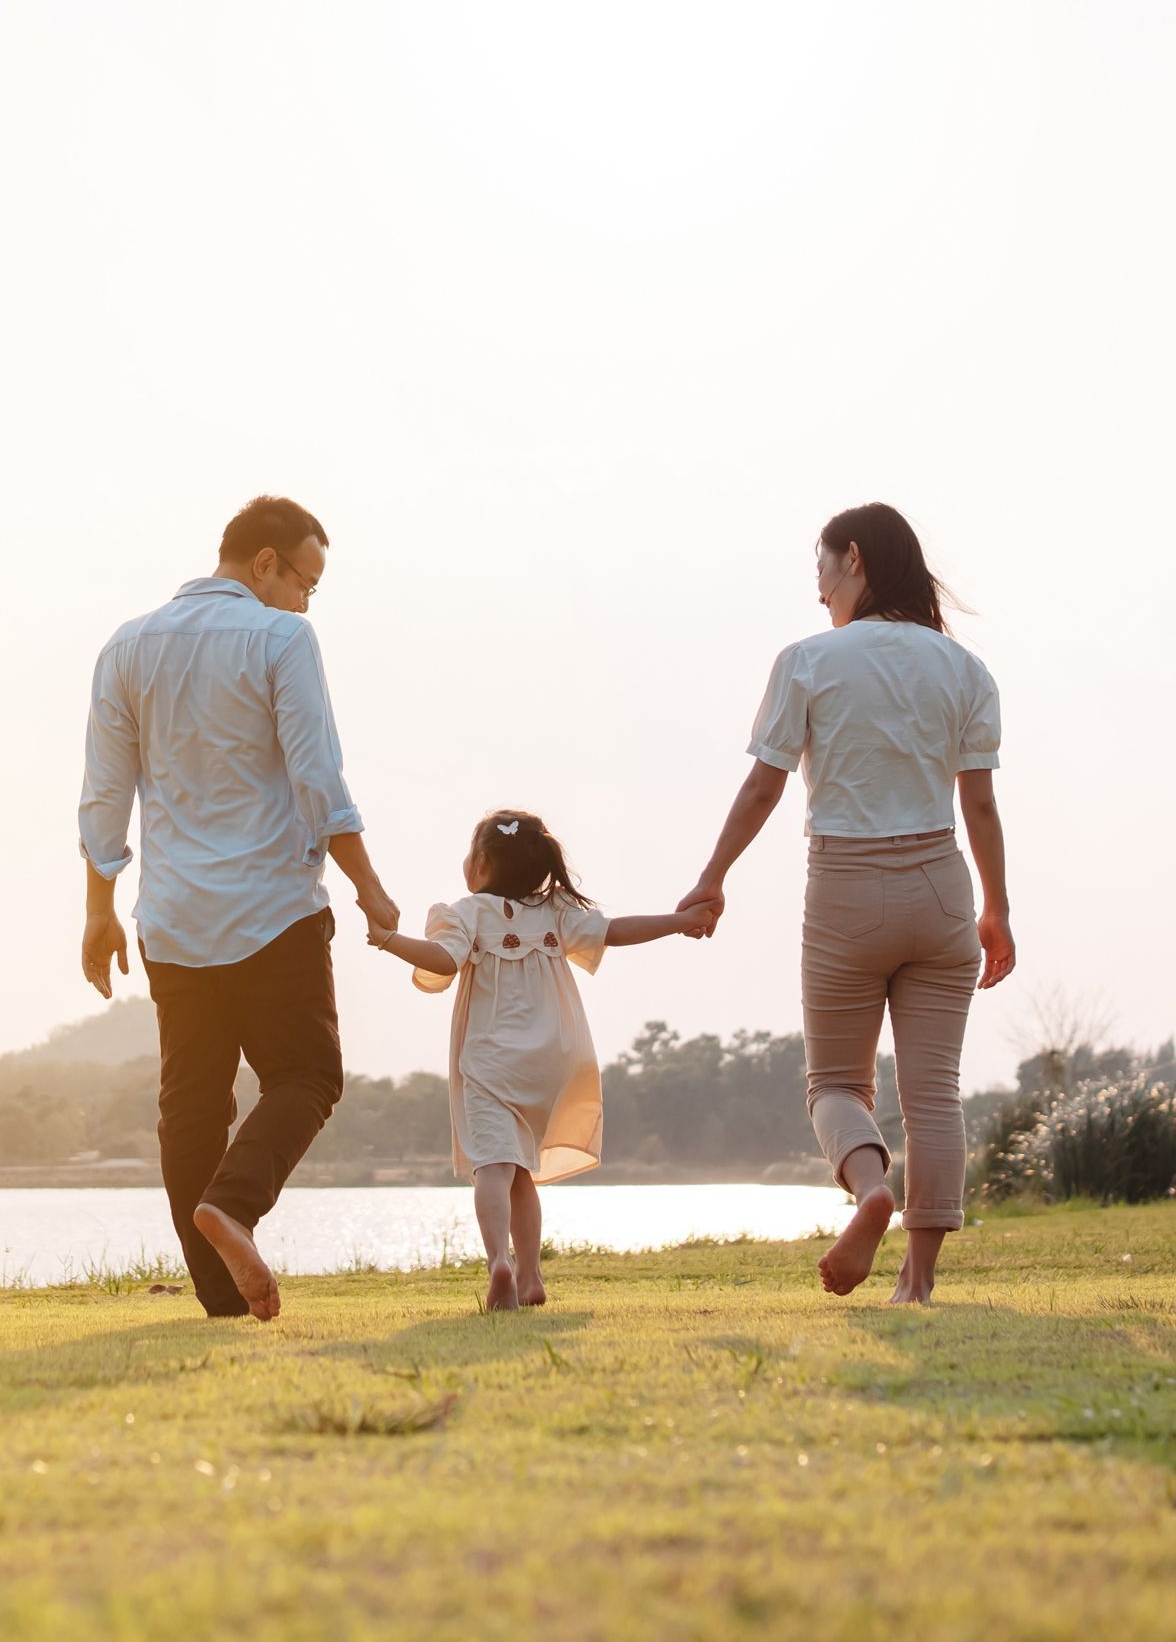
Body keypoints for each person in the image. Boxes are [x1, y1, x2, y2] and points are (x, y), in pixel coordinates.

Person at [678, 502, 1015, 1304]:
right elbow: (982, 809)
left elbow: (765, 785)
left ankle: (870, 1188)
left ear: (854, 559)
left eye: (822, 567)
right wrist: (997, 907)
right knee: (935, 1092)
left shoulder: (807, 660)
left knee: (835, 1084)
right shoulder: (965, 669)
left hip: (845, 888)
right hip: (941, 881)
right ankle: (918, 1281)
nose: (818, 586)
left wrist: (712, 873)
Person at [78, 494, 399, 1322]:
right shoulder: (281, 636)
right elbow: (317, 778)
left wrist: (99, 909)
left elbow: (106, 797)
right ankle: (236, 1205)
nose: (305, 599)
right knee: (307, 1075)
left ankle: (220, 1299)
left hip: (174, 920)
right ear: (265, 563)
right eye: (306, 580)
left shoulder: (126, 646)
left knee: (191, 1105)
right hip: (274, 911)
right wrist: (367, 885)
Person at [366, 811, 717, 1310]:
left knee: (491, 1166)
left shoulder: (467, 912)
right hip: (554, 1057)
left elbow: (442, 960)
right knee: (521, 1170)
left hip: (490, 1060)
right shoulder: (555, 911)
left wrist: (387, 939)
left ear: (481, 862)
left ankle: (499, 1264)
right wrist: (681, 921)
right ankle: (531, 1275)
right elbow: (616, 930)